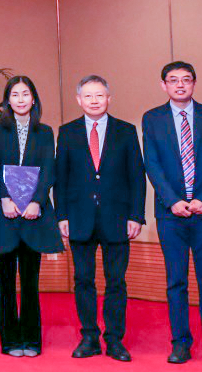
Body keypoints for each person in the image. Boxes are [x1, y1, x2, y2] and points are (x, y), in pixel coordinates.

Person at [141, 62, 202, 367]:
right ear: (163, 85)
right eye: (173, 80)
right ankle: (180, 344)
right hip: (171, 215)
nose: (180, 85)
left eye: (186, 79)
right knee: (176, 282)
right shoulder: (152, 119)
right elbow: (152, 164)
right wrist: (172, 201)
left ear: (194, 83)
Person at [56, 75, 145, 363]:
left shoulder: (126, 131)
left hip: (117, 218)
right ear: (79, 100)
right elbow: (61, 178)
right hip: (79, 218)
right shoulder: (67, 132)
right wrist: (61, 215)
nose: (94, 101)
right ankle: (89, 337)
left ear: (109, 98)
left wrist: (136, 215)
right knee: (83, 280)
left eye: (99, 95)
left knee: (116, 281)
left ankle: (115, 339)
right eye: (88, 96)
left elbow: (137, 176)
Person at [0, 76, 62, 358]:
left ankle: (31, 338)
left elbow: (48, 168)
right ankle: (10, 340)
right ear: (8, 100)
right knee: (5, 283)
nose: (20, 99)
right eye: (14, 94)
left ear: (34, 98)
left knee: (30, 282)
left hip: (32, 214)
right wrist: (4, 198)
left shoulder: (45, 131)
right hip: (4, 214)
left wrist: (37, 201)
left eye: (25, 94)